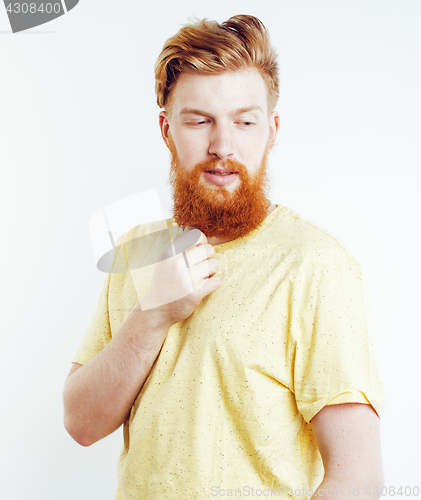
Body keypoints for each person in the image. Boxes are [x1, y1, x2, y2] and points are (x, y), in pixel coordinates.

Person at [63, 15, 386, 499]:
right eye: (199, 121)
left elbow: (357, 478)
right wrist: (153, 314)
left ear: (271, 130)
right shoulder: (136, 250)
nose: (222, 145)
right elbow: (81, 423)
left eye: (244, 121)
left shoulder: (315, 264)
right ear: (166, 129)